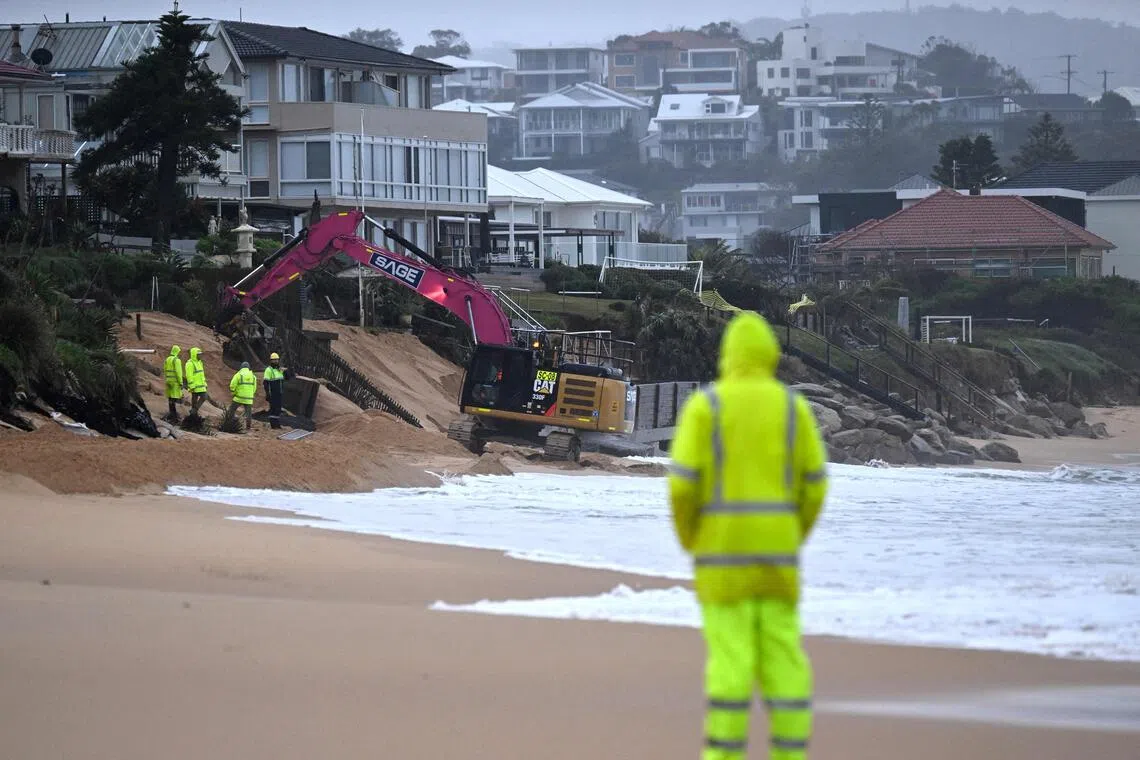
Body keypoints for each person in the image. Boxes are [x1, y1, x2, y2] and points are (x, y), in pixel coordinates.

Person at [667, 311, 829, 760]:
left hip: (721, 559)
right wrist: (794, 533)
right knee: (784, 656)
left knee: (730, 659)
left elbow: (682, 485)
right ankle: (791, 752)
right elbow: (815, 484)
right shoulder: (793, 409)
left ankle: (724, 753)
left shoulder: (708, 407)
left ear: (728, 355)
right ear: (770, 354)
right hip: (778, 558)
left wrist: (690, 538)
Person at [227, 362, 257, 431]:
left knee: (232, 410)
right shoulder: (253, 376)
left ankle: (229, 423)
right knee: (248, 413)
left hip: (239, 397)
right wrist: (251, 394)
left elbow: (232, 385)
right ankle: (248, 427)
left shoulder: (238, 374)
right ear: (249, 368)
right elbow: (254, 388)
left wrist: (233, 392)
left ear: (241, 367)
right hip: (249, 398)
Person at [262, 352, 288, 429]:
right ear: (271, 361)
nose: (276, 361)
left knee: (278, 409)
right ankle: (273, 425)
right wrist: (267, 393)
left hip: (279, 393)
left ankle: (277, 424)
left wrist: (285, 371)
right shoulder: (268, 370)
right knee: (273, 409)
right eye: (274, 360)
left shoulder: (280, 370)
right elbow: (265, 383)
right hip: (272, 393)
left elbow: (288, 378)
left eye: (277, 360)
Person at [162, 344, 185, 422]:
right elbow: (179, 372)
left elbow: (164, 370)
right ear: (177, 351)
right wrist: (181, 382)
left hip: (169, 381)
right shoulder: (176, 360)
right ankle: (174, 416)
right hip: (175, 382)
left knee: (170, 398)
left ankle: (171, 413)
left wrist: (167, 379)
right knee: (174, 398)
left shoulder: (167, 359)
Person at [184, 347, 208, 416]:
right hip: (195, 386)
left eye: (200, 354)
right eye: (199, 354)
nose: (200, 355)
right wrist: (192, 386)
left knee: (203, 397)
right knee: (196, 399)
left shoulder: (200, 363)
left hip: (201, 385)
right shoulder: (190, 364)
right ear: (195, 354)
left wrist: (205, 383)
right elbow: (189, 376)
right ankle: (194, 413)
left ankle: (193, 411)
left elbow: (202, 375)